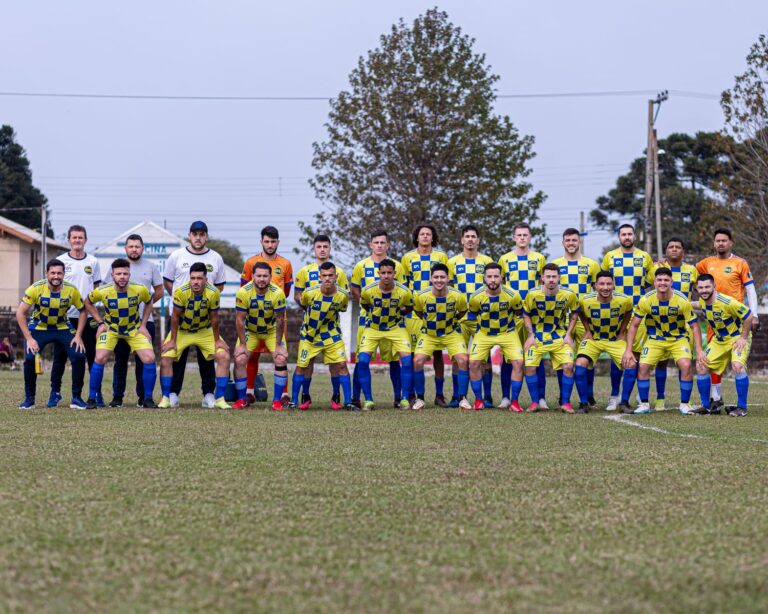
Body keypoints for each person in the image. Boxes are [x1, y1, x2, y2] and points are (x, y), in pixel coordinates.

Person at [163, 221, 226, 408]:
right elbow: (168, 283)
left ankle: (208, 394)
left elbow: (219, 286)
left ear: (206, 236)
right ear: (189, 235)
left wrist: (204, 303)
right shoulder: (176, 256)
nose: (198, 237)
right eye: (194, 234)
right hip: (180, 318)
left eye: (202, 234)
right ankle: (173, 393)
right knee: (176, 357)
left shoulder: (216, 258)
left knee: (207, 359)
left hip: (205, 319)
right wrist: (182, 302)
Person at [622, 267, 702, 415]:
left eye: (666, 280)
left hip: (678, 339)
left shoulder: (682, 300)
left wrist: (699, 350)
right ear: (654, 282)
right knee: (643, 366)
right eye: (659, 280)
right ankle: (644, 404)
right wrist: (628, 350)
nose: (663, 283)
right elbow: (633, 325)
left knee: (685, 366)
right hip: (655, 339)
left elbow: (695, 326)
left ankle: (684, 404)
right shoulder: (646, 300)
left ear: (672, 282)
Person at [695, 228, 759, 410]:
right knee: (706, 362)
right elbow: (687, 273)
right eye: (717, 241)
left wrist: (754, 315)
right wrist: (665, 264)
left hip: (737, 320)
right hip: (714, 321)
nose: (720, 243)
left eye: (724, 240)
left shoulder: (740, 263)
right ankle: (714, 399)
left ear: (731, 242)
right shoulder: (706, 263)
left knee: (736, 364)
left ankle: (741, 406)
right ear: (714, 243)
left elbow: (751, 290)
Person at [83, 258, 157, 409]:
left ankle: (148, 399)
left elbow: (149, 301)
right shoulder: (103, 291)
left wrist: (143, 325)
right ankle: (92, 398)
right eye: (118, 274)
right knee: (100, 357)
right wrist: (100, 322)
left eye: (125, 273)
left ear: (130, 275)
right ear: (112, 275)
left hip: (133, 329)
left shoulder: (140, 288)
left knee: (149, 358)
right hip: (112, 329)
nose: (122, 276)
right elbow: (87, 302)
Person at [16, 259, 87, 409]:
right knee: (29, 358)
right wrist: (29, 338)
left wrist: (78, 335)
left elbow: (83, 310)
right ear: (46, 273)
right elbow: (20, 313)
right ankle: (29, 399)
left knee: (79, 355)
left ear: (64, 274)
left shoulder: (71, 290)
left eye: (59, 273)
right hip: (39, 328)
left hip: (62, 327)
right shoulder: (35, 289)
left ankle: (76, 398)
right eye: (53, 273)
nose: (56, 276)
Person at [158, 262, 230, 409]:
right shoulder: (180, 291)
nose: (195, 282)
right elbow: (175, 317)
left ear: (206, 279)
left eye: (199, 278)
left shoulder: (213, 292)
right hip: (183, 330)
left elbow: (214, 318)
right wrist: (172, 340)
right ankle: (167, 397)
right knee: (166, 357)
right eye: (193, 278)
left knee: (224, 356)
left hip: (204, 331)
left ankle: (219, 398)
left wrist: (217, 340)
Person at [601, 223, 655, 411]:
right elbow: (604, 283)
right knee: (618, 356)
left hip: (638, 312)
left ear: (634, 236)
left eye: (629, 234)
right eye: (623, 234)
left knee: (637, 355)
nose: (627, 237)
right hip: (616, 314)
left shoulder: (644, 257)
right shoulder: (610, 257)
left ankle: (639, 396)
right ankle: (614, 395)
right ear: (619, 237)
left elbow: (650, 281)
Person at [350, 230, 406, 407]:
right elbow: (355, 289)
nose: (379, 245)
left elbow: (404, 290)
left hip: (392, 322)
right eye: (376, 242)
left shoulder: (397, 266)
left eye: (383, 242)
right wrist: (367, 306)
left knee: (394, 360)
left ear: (388, 245)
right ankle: (356, 398)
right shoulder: (361, 266)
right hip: (368, 321)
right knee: (362, 359)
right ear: (371, 245)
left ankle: (398, 398)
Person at [49, 225, 102, 408]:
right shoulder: (60, 261)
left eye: (80, 238)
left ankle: (95, 393)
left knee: (93, 356)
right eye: (74, 238)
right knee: (60, 358)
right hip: (64, 317)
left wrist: (96, 315)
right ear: (69, 240)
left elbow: (96, 291)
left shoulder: (93, 262)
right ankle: (55, 393)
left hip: (86, 317)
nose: (77, 241)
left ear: (85, 240)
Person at [289, 262, 354, 410]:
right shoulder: (309, 293)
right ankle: (297, 399)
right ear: (319, 277)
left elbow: (342, 309)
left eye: (330, 275)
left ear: (336, 277)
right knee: (302, 366)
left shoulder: (343, 295)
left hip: (332, 334)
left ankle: (343, 399)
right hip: (310, 335)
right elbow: (304, 305)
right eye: (324, 276)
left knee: (341, 365)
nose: (327, 279)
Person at [241, 226, 294, 405]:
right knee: (252, 355)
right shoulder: (250, 263)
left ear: (278, 242)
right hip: (254, 319)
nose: (270, 245)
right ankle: (249, 392)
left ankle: (284, 395)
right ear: (261, 242)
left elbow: (285, 292)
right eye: (266, 241)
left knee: (280, 354)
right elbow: (244, 290)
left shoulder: (285, 264)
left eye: (273, 241)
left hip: (276, 320)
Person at [111, 234, 164, 407]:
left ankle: (144, 398)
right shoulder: (118, 267)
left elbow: (159, 290)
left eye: (137, 246)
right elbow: (106, 290)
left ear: (142, 248)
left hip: (144, 322)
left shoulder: (151, 267)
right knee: (120, 360)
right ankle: (117, 398)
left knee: (144, 360)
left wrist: (145, 305)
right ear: (125, 248)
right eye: (131, 246)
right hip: (120, 323)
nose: (134, 249)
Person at [499, 223, 547, 407]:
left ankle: (541, 398)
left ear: (530, 237)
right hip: (511, 315)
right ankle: (505, 396)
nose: (522, 238)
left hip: (533, 316)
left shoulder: (539, 258)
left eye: (525, 235)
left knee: (537, 355)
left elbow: (542, 285)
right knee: (509, 357)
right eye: (518, 235)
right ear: (513, 238)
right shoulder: (505, 259)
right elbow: (500, 284)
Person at [401, 224, 450, 406]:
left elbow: (445, 280)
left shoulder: (441, 256)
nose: (425, 237)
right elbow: (404, 285)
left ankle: (439, 394)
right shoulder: (407, 258)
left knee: (437, 352)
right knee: (415, 354)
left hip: (437, 311)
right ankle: (416, 394)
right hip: (415, 311)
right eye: (422, 234)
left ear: (433, 237)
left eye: (428, 234)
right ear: (416, 237)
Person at [552, 228, 600, 407]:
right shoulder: (555, 264)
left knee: (587, 356)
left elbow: (599, 289)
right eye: (568, 240)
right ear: (563, 243)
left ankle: (588, 395)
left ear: (579, 242)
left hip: (585, 318)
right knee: (562, 357)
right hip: (562, 317)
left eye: (574, 240)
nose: (571, 243)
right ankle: (563, 396)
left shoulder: (591, 264)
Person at [574, 271, 635, 413]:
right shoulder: (585, 300)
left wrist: (621, 332)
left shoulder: (624, 300)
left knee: (631, 363)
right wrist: (587, 330)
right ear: (595, 286)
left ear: (613, 285)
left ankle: (624, 402)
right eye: (601, 284)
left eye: (609, 284)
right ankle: (584, 403)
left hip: (614, 340)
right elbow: (580, 312)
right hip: (594, 340)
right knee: (580, 363)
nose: (605, 287)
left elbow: (628, 312)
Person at [522, 263, 579, 413]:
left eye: (554, 276)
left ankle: (565, 403)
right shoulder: (533, 294)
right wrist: (530, 335)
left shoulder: (568, 294)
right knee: (529, 367)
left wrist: (569, 335)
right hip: (537, 336)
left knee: (568, 366)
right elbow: (526, 313)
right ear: (542, 278)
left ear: (559, 277)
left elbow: (574, 313)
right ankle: (535, 402)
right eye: (548, 276)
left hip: (559, 336)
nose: (551, 280)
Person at [357, 259, 414, 410]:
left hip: (396, 328)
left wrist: (400, 314)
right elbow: (364, 304)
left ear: (395, 273)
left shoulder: (404, 291)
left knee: (407, 361)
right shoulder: (368, 290)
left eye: (389, 273)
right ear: (378, 273)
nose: (386, 276)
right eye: (383, 273)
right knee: (362, 361)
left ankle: (404, 399)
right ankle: (368, 400)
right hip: (373, 328)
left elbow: (409, 306)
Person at [411, 263, 469, 410]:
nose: (439, 280)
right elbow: (418, 313)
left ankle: (462, 398)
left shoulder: (457, 296)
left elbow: (461, 312)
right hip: (429, 334)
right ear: (431, 279)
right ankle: (420, 399)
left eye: (442, 277)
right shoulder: (421, 296)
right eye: (436, 277)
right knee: (417, 360)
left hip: (451, 333)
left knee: (463, 360)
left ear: (448, 278)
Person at [231, 261, 288, 411]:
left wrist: (277, 346)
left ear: (270, 277)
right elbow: (239, 320)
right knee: (240, 358)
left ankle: (277, 401)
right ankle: (242, 399)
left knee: (281, 358)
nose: (262, 279)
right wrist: (242, 345)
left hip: (271, 331)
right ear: (252, 276)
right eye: (258, 276)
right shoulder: (243, 292)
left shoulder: (277, 293)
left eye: (265, 276)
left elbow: (280, 320)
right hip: (251, 331)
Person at [466, 263, 524, 411]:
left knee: (518, 362)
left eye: (496, 276)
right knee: (473, 363)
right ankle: (479, 400)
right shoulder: (475, 297)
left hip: (507, 332)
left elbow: (519, 313)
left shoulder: (513, 295)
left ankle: (514, 402)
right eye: (489, 276)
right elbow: (473, 315)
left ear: (502, 278)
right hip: (484, 333)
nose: (493, 280)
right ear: (484, 278)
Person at [448, 225, 495, 406]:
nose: (470, 239)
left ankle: (487, 396)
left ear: (478, 240)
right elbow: (449, 289)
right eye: (466, 236)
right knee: (457, 357)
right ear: (461, 240)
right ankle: (458, 396)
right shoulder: (452, 262)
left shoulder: (486, 260)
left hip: (481, 317)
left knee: (484, 358)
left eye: (473, 237)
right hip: (459, 317)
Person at [694, 274, 753, 417]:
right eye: (701, 288)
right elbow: (696, 304)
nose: (704, 290)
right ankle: (707, 407)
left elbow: (748, 315)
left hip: (736, 339)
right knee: (701, 365)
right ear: (697, 289)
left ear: (714, 287)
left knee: (737, 366)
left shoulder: (727, 302)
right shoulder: (703, 301)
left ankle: (742, 408)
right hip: (719, 340)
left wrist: (743, 337)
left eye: (707, 287)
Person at [652, 237, 699, 411]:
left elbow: (700, 292)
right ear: (665, 251)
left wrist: (693, 304)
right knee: (661, 362)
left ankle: (684, 401)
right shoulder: (657, 268)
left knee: (684, 362)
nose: (674, 249)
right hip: (661, 321)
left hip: (684, 323)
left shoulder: (691, 270)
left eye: (677, 247)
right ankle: (660, 399)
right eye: (670, 247)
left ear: (683, 251)